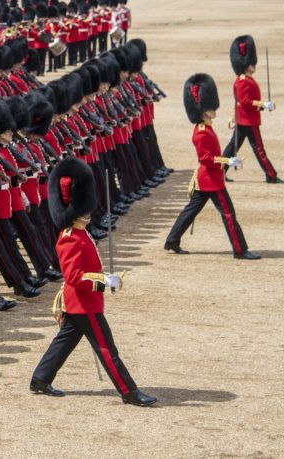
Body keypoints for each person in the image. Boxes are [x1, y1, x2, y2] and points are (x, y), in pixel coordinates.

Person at [30, 158, 154, 408]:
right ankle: (128, 391)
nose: (88, 213)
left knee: (65, 340)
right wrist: (103, 281)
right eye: (83, 209)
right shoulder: (69, 239)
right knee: (107, 349)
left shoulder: (79, 233)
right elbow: (74, 276)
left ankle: (40, 379)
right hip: (82, 303)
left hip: (82, 302)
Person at [165, 74, 260, 260]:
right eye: (209, 108)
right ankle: (240, 250)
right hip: (211, 180)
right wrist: (227, 161)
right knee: (228, 214)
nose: (213, 110)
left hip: (208, 179)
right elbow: (206, 158)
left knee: (191, 210)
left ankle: (172, 240)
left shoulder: (206, 127)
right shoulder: (201, 133)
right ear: (203, 111)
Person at [221, 35, 278, 183]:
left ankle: (219, 172)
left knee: (231, 148)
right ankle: (270, 175)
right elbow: (245, 101)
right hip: (248, 120)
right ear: (246, 64)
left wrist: (263, 105)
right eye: (252, 63)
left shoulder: (244, 80)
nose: (254, 65)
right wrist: (263, 104)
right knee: (258, 149)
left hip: (245, 119)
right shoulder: (243, 81)